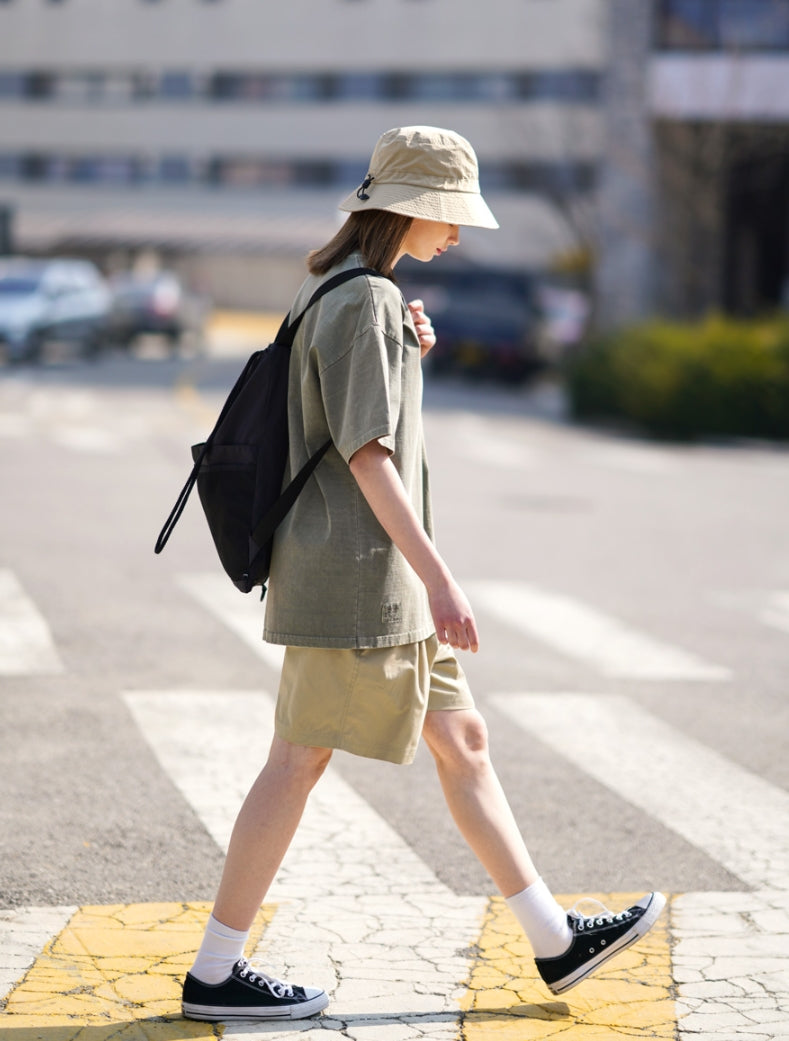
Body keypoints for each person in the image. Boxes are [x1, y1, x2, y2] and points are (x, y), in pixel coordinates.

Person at [181, 126, 665, 1023]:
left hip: (377, 580)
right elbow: (366, 454)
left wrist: (405, 353)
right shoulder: (365, 299)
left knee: (463, 742)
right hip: (357, 578)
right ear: (411, 208)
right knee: (296, 760)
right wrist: (440, 577)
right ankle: (214, 969)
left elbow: (339, 408)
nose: (458, 233)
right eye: (451, 215)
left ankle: (554, 940)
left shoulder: (341, 285)